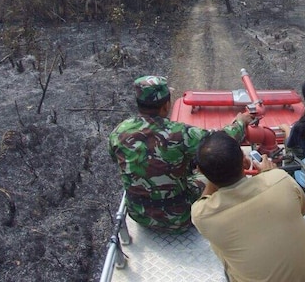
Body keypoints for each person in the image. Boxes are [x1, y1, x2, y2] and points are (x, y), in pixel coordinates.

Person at [108, 75, 252, 232]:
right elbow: (219, 141)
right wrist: (240, 122)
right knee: (214, 173)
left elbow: (117, 160)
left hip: (139, 216)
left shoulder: (118, 132)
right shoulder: (179, 133)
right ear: (165, 106)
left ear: (139, 104)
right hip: (180, 218)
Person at [191, 131, 305, 282]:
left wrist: (212, 174)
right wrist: (269, 173)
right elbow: (301, 210)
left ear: (202, 172)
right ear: (244, 161)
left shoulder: (201, 214)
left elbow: (205, 198)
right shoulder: (280, 179)